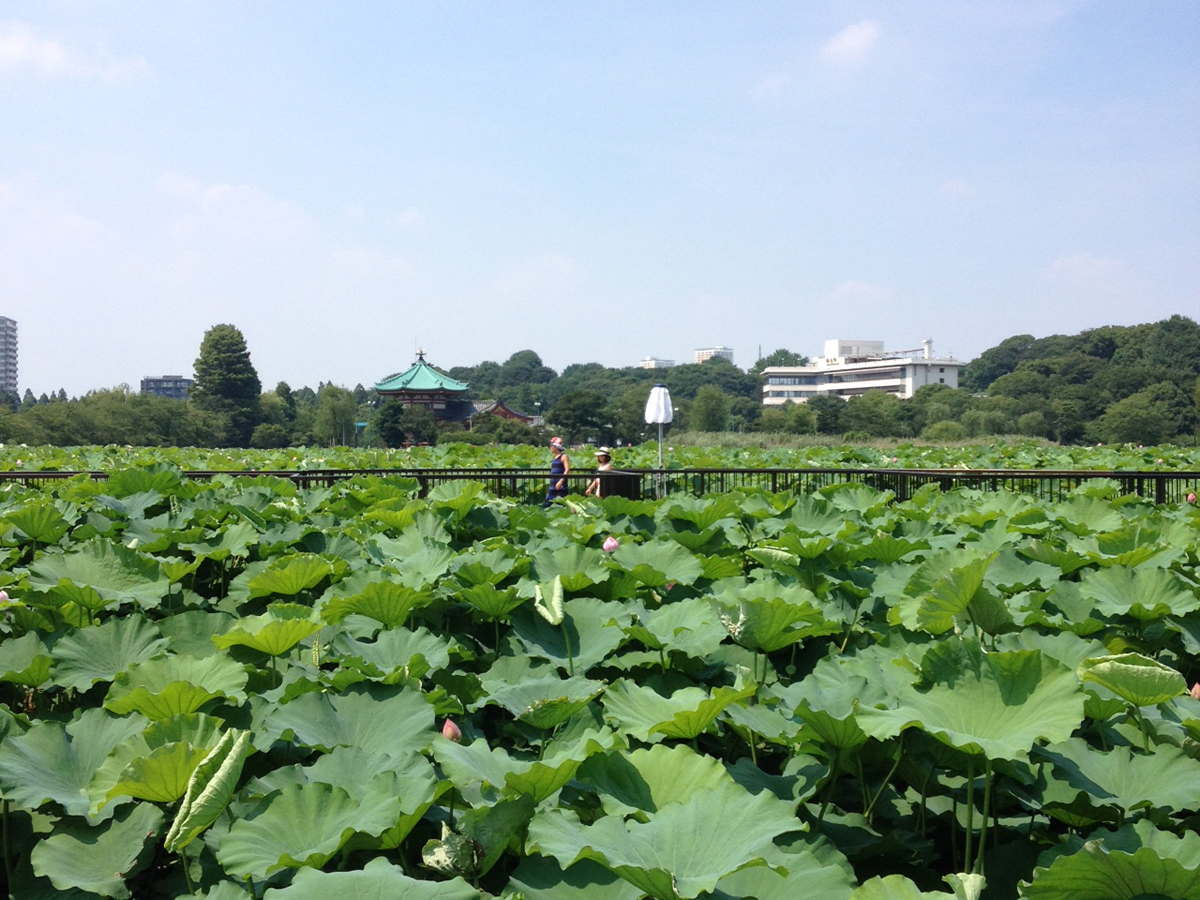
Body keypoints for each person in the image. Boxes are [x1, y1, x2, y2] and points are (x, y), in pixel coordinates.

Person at [543, 436, 570, 507]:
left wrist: (561, 481)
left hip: (560, 485)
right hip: (553, 484)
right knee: (548, 503)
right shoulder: (554, 457)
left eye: (551, 446)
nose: (550, 447)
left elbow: (567, 469)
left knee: (560, 504)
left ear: (556, 447)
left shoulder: (564, 456)